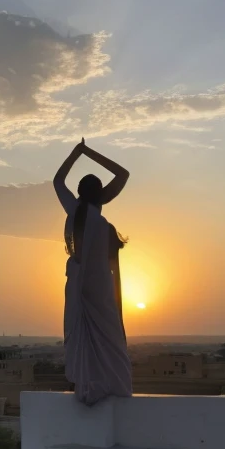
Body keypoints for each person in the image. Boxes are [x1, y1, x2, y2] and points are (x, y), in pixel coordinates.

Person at [53, 138, 133, 405]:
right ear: (101, 194)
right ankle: (111, 385)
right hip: (99, 286)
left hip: (82, 284)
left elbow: (57, 181)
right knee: (110, 339)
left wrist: (77, 153)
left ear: (79, 193)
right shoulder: (93, 216)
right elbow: (123, 174)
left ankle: (90, 384)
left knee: (88, 336)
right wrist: (90, 153)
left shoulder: (75, 209)